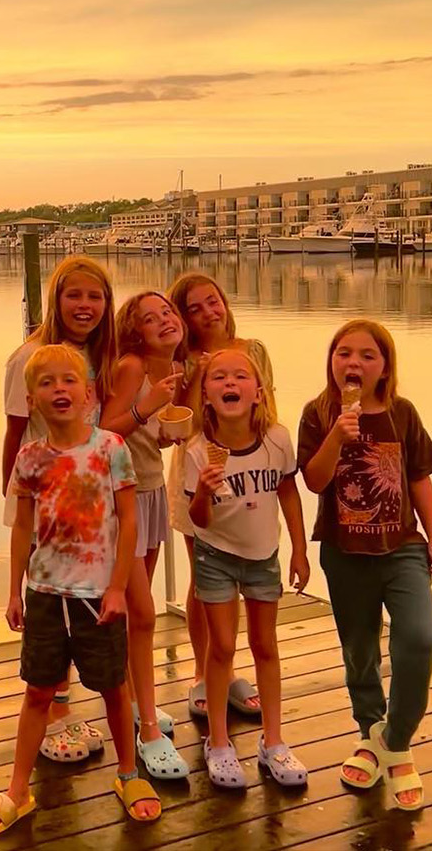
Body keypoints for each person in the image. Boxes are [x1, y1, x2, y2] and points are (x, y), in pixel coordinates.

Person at [0, 344, 161, 835]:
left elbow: (128, 522)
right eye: (47, 383)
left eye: (68, 381)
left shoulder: (110, 450)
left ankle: (128, 773)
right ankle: (18, 788)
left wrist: (119, 587)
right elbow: (21, 529)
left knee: (112, 689)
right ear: (32, 400)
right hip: (45, 593)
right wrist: (14, 591)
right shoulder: (30, 458)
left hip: (98, 594)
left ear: (89, 394)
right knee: (38, 690)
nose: (59, 389)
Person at [298, 319, 432, 812]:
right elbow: (315, 482)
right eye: (344, 353)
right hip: (345, 553)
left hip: (402, 547)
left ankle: (395, 741)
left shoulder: (402, 413)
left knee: (420, 639)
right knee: (359, 651)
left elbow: (419, 477)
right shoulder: (318, 413)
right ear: (332, 361)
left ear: (384, 366)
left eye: (367, 355)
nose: (354, 363)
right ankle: (370, 729)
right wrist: (338, 437)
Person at [1, 255, 117, 762]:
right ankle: (53, 714)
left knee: (78, 598)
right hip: (38, 490)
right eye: (75, 296)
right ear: (56, 299)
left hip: (85, 497)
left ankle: (66, 706)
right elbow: (12, 431)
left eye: (95, 297)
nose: (85, 306)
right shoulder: (30, 356)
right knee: (47, 604)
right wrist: (9, 493)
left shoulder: (99, 356)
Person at [184, 347, 309, 790]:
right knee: (221, 646)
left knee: (266, 645)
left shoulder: (276, 438)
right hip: (215, 554)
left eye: (240, 377)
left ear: (258, 393)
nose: (230, 384)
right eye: (219, 377)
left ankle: (272, 741)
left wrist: (299, 549)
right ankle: (218, 742)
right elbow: (198, 519)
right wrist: (202, 492)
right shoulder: (198, 450)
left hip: (263, 554)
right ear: (205, 394)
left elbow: (288, 493)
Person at [166, 271, 275, 719]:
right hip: (199, 476)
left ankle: (229, 670)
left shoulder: (254, 351)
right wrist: (199, 371)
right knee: (204, 578)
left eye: (214, 301)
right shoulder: (182, 362)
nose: (210, 312)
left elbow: (268, 408)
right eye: (195, 307)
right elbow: (184, 425)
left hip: (251, 477)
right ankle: (202, 671)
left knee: (251, 575)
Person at [100, 291, 189, 779]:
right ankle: (149, 731)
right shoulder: (133, 367)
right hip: (124, 500)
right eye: (149, 318)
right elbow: (103, 428)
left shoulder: (166, 371)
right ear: (134, 332)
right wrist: (145, 410)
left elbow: (138, 434)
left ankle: (134, 703)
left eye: (167, 313)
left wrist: (160, 432)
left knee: (139, 614)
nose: (163, 321)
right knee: (146, 614)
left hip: (151, 489)